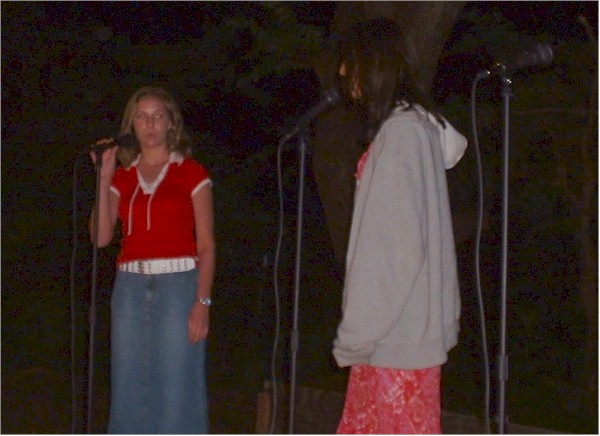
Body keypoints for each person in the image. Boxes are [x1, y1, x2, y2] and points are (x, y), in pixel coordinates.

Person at [331, 18, 467, 434]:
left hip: (395, 340)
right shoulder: (416, 129)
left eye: (350, 61)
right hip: (399, 337)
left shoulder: (401, 135)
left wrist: (355, 333)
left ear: (374, 65)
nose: (342, 71)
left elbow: (393, 251)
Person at [89, 85, 215, 433]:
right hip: (130, 287)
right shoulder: (123, 177)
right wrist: (103, 177)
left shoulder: (191, 172)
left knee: (176, 382)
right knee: (128, 383)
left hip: (178, 286)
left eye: (158, 116)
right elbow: (100, 237)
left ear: (171, 123)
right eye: (142, 116)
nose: (150, 124)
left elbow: (206, 245)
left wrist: (202, 301)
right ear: (131, 124)